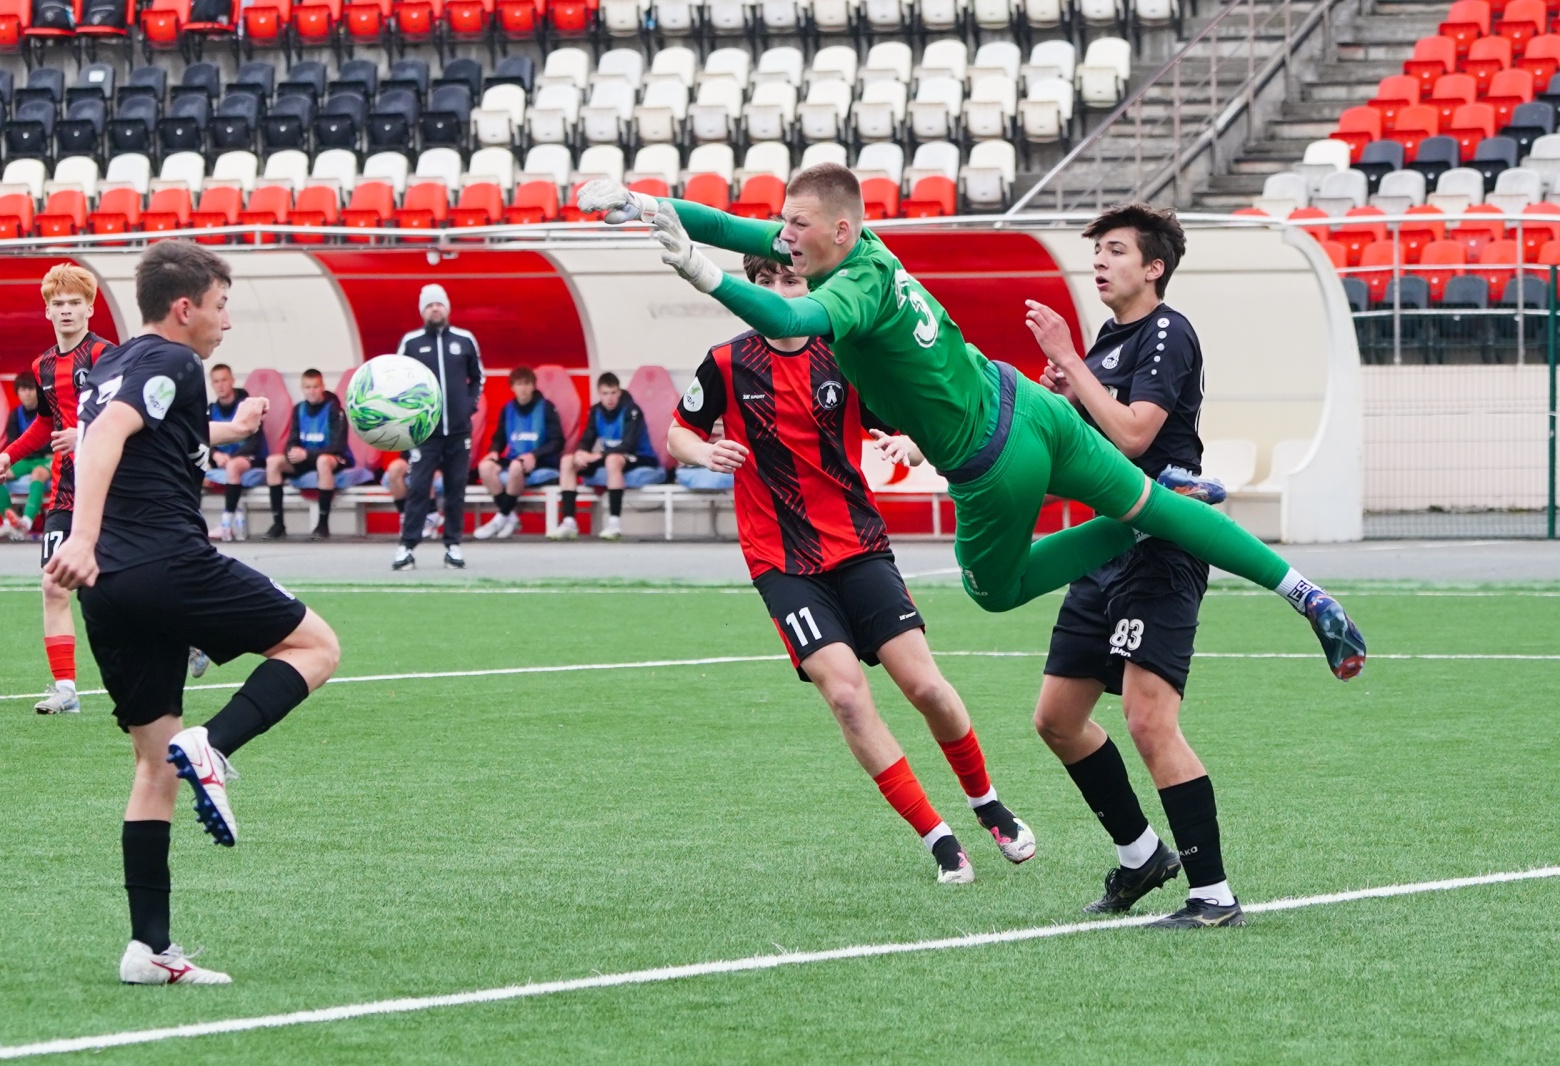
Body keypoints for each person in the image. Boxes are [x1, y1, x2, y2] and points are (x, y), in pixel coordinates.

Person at [577, 171, 1367, 683]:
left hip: (994, 464)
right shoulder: (862, 247)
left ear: (840, 231)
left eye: (798, 226)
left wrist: (700, 273)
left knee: (995, 590)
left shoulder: (851, 288)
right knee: (1156, 503)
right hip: (1028, 403)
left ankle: (1135, 526)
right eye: (782, 223)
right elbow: (730, 224)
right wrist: (644, 205)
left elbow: (790, 318)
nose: (784, 236)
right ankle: (1306, 594)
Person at [666, 253, 1035, 884]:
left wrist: (909, 443)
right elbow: (679, 431)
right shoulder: (725, 362)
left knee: (925, 688)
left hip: (859, 546)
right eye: (766, 282)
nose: (779, 291)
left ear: (810, 285)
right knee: (845, 696)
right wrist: (704, 452)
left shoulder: (845, 354)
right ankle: (940, 840)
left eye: (790, 280)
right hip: (781, 561)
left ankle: (987, 804)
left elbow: (915, 420)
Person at [47, 240, 341, 985]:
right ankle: (217, 743)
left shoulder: (111, 364)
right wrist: (79, 534)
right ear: (185, 308)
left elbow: (134, 430)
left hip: (109, 588)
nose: (226, 322)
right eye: (220, 306)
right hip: (167, 562)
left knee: (154, 766)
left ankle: (149, 949)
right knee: (315, 647)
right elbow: (106, 437)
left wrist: (232, 431)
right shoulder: (176, 360)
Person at [0, 264, 113, 715]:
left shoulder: (106, 356)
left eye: (75, 303)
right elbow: (46, 422)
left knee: (125, 585)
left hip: (110, 486)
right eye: (58, 304)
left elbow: (130, 415)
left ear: (89, 308)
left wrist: (85, 434)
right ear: (47, 311)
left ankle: (188, 634)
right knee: (54, 586)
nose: (66, 311)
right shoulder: (41, 366)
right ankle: (66, 690)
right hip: (64, 491)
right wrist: (9, 455)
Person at [394, 284, 483, 570]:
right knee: (419, 488)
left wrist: (468, 407)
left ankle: (453, 546)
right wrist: (411, 416)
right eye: (429, 305)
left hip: (458, 432)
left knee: (456, 489)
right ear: (422, 311)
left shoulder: (465, 339)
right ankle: (406, 547)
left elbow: (478, 378)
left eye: (439, 304)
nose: (435, 309)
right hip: (424, 433)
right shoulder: (411, 342)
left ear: (447, 308)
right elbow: (396, 382)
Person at [551, 372, 664, 541]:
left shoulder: (632, 410)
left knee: (613, 460)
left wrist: (598, 455)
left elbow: (628, 445)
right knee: (568, 461)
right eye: (605, 393)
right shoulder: (595, 411)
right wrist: (581, 452)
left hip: (639, 457)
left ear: (619, 392)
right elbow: (587, 438)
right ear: (599, 393)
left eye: (613, 393)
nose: (609, 398)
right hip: (609, 455)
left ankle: (614, 523)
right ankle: (569, 522)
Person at [471, 365, 563, 542]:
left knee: (515, 466)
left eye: (527, 384)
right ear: (512, 387)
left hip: (541, 461)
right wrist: (494, 452)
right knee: (485, 467)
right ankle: (510, 517)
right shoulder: (507, 409)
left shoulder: (546, 407)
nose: (523, 388)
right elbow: (499, 438)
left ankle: (500, 518)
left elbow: (558, 441)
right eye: (519, 384)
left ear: (533, 385)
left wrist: (535, 455)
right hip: (515, 459)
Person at [263, 369, 352, 541]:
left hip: (332, 459)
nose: (312, 391)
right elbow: (292, 440)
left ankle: (322, 525)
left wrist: (307, 454)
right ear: (302, 388)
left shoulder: (335, 410)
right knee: (273, 462)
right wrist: (292, 452)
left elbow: (338, 446)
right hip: (305, 459)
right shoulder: (299, 409)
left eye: (316, 387)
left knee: (323, 461)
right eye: (308, 387)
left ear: (323, 386)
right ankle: (278, 524)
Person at [0, 375, 53, 542]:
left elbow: (51, 441)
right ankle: (9, 522)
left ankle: (26, 523)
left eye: (31, 389)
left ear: (38, 391)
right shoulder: (14, 415)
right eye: (23, 389)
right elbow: (14, 442)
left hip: (46, 460)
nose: (27, 393)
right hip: (25, 460)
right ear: (18, 392)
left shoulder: (49, 412)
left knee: (38, 474)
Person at [204, 363, 266, 542]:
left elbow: (254, 442)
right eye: (216, 381)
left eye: (224, 380)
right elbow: (202, 439)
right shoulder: (211, 409)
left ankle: (226, 523)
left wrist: (230, 457)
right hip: (221, 460)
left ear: (232, 380)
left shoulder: (248, 407)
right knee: (194, 466)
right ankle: (193, 524)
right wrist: (215, 455)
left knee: (233, 466)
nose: (220, 385)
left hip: (250, 459)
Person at [383, 455, 443, 540]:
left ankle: (431, 515)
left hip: (441, 473)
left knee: (423, 471)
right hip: (413, 469)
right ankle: (406, 516)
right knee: (395, 469)